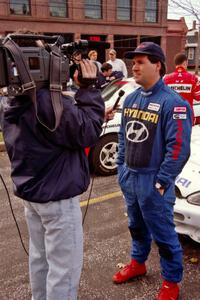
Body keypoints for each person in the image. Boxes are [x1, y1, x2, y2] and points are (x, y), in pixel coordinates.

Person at [0, 35, 105, 300]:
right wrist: (90, 90)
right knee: (63, 272)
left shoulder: (14, 99)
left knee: (40, 261)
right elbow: (89, 132)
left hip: (33, 197)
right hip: (57, 200)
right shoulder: (49, 102)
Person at [112, 42, 192, 300]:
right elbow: (124, 138)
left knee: (164, 234)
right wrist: (121, 169)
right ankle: (138, 263)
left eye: (140, 62)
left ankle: (171, 281)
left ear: (157, 65)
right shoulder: (132, 98)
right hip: (131, 177)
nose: (134, 66)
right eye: (133, 62)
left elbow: (178, 149)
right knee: (135, 225)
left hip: (153, 181)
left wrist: (161, 182)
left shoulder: (174, 104)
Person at [164, 52, 200, 125]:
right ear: (185, 63)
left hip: (169, 119)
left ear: (175, 64)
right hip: (187, 119)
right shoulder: (194, 79)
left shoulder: (165, 79)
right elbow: (198, 97)